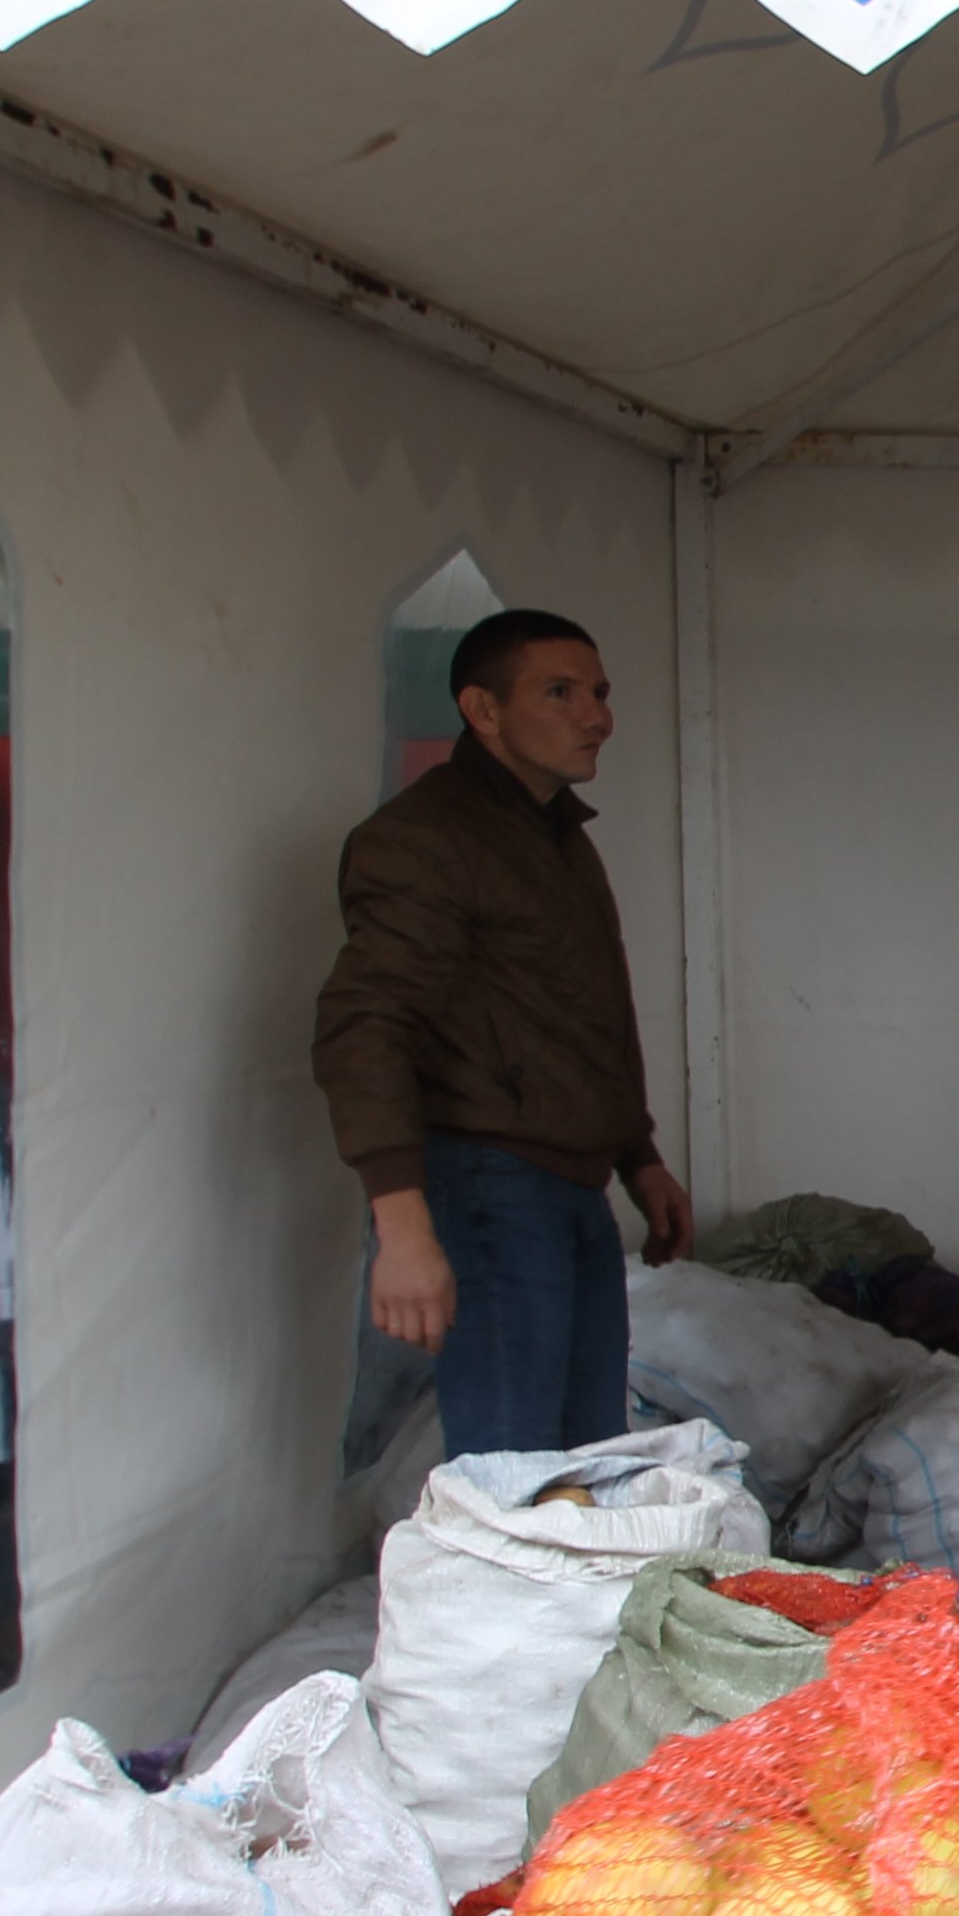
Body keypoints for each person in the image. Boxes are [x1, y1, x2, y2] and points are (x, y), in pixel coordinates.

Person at [312, 608, 691, 1457]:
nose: (596, 716)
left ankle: (571, 1590)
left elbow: (574, 1008)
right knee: (513, 1466)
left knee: (590, 1454)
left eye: (598, 693)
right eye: (560, 693)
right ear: (482, 711)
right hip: (487, 1184)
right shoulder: (423, 841)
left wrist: (638, 1155)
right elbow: (362, 1025)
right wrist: (403, 1229)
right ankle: (504, 1594)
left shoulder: (556, 835)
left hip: (567, 1181)